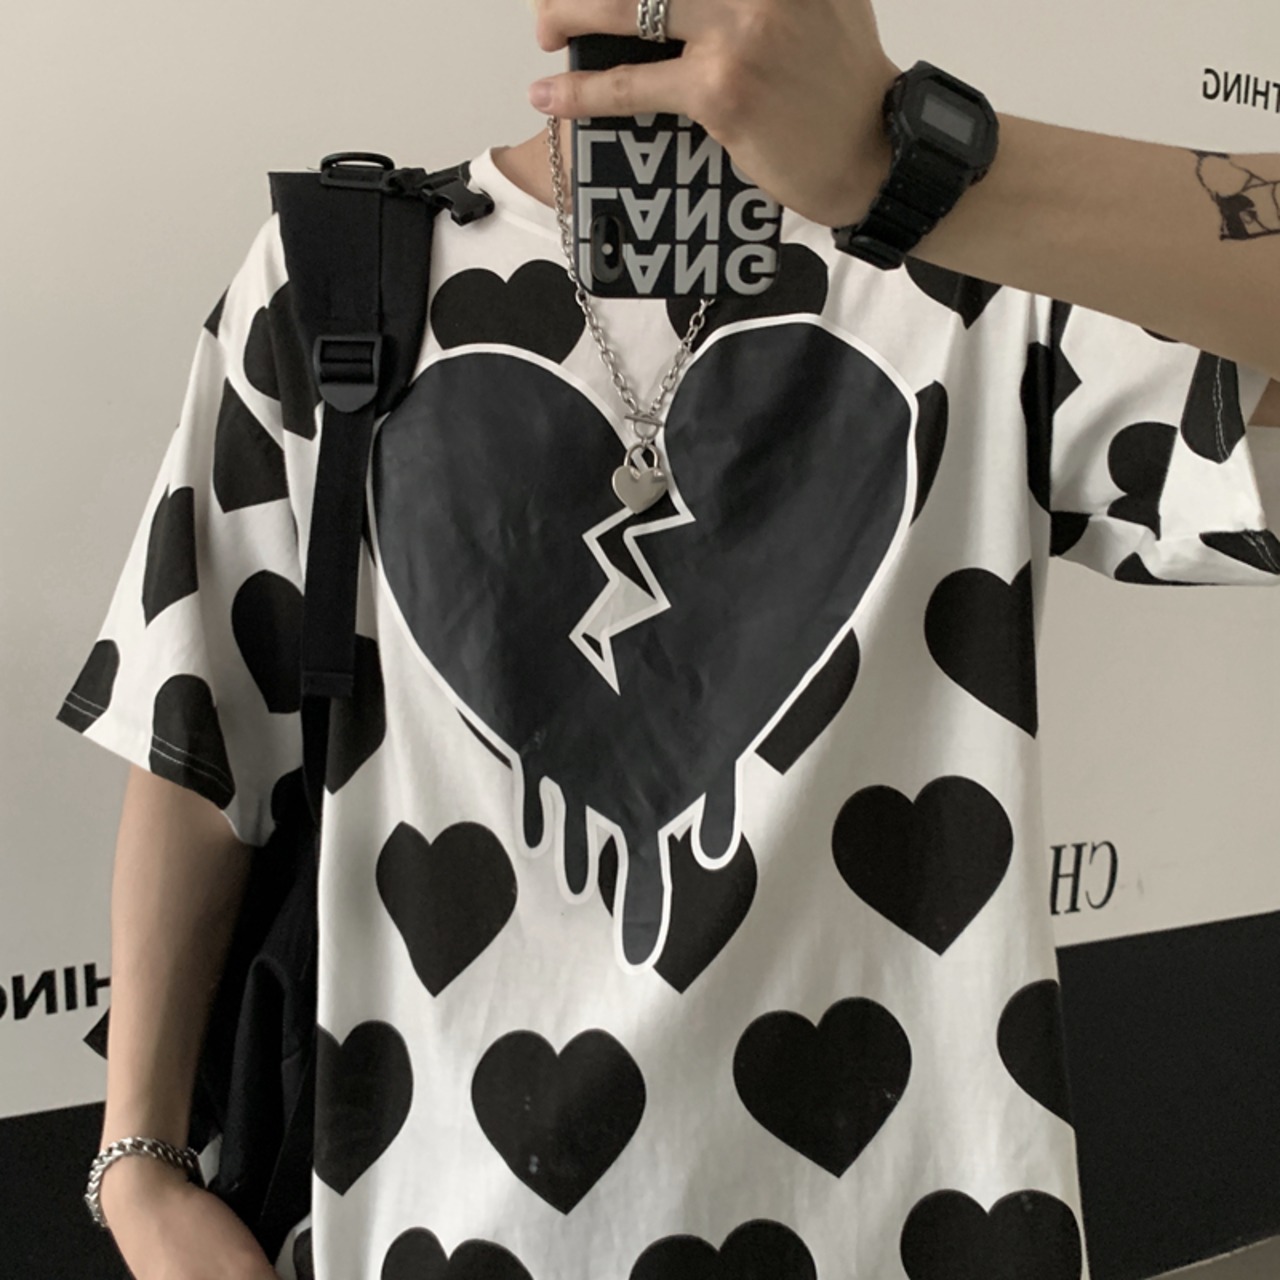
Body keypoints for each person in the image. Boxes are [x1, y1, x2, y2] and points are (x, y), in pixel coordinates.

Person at [57, 0, 1280, 1277]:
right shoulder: (339, 276)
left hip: (905, 1225)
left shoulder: (975, 279)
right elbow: (201, 726)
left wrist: (917, 166)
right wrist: (137, 1164)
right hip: (432, 1220)